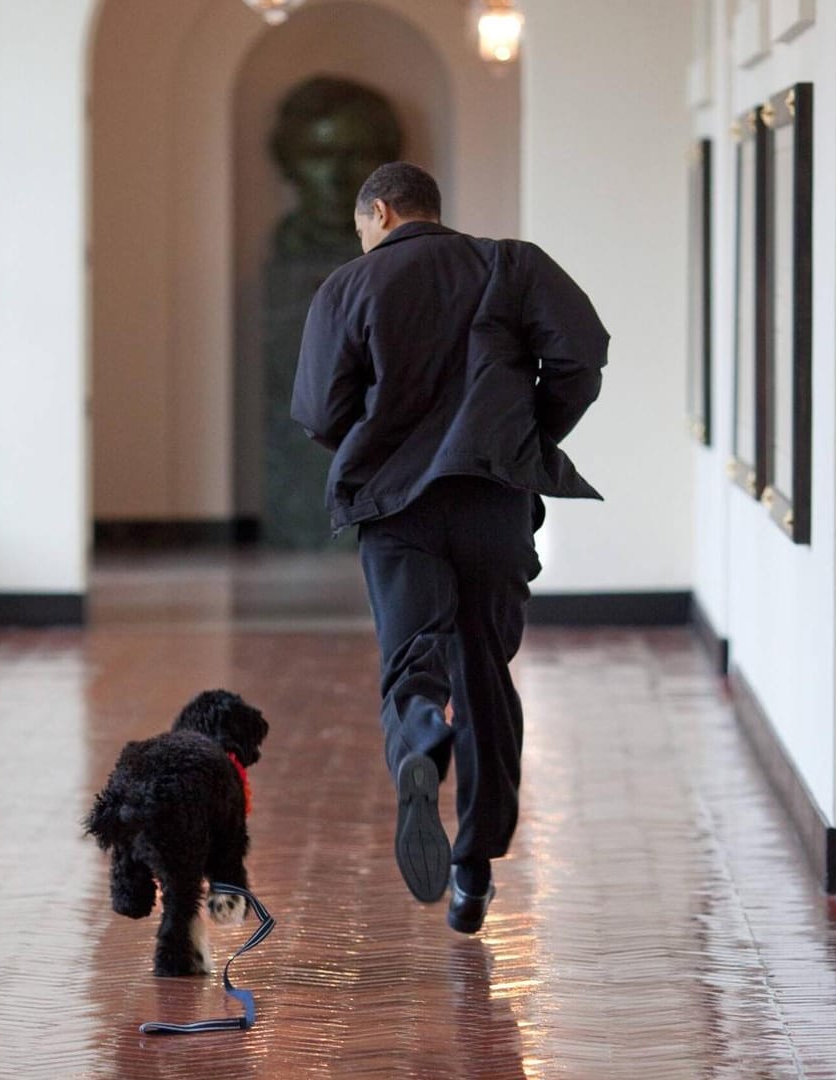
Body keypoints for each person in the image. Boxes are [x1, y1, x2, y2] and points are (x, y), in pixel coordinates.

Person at [291, 162, 607, 933]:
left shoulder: (348, 287)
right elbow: (582, 354)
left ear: (384, 212)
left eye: (362, 227)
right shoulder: (510, 263)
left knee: (414, 656)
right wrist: (522, 433)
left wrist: (375, 440)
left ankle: (421, 738)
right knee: (485, 670)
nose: (362, 240)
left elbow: (317, 408)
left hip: (399, 507)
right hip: (492, 498)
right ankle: (473, 867)